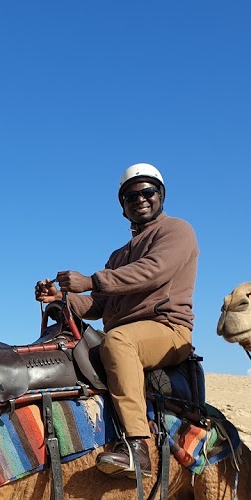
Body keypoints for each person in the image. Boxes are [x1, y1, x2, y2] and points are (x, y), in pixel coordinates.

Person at [34, 163, 198, 480]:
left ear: (160, 195)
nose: (140, 199)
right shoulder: (118, 255)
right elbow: (101, 304)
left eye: (147, 192)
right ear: (123, 207)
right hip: (125, 332)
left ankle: (138, 448)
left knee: (118, 341)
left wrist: (91, 280)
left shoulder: (177, 230)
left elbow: (153, 271)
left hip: (168, 330)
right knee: (68, 347)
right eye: (130, 196)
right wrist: (60, 299)